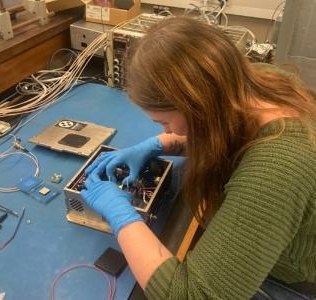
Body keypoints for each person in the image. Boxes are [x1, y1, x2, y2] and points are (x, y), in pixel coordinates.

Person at [80, 17, 316, 299]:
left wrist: (121, 216)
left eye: (164, 123)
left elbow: (193, 294)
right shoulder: (253, 81)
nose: (166, 131)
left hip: (291, 280)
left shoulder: (278, 168)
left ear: (198, 106)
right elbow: (230, 133)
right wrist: (162, 144)